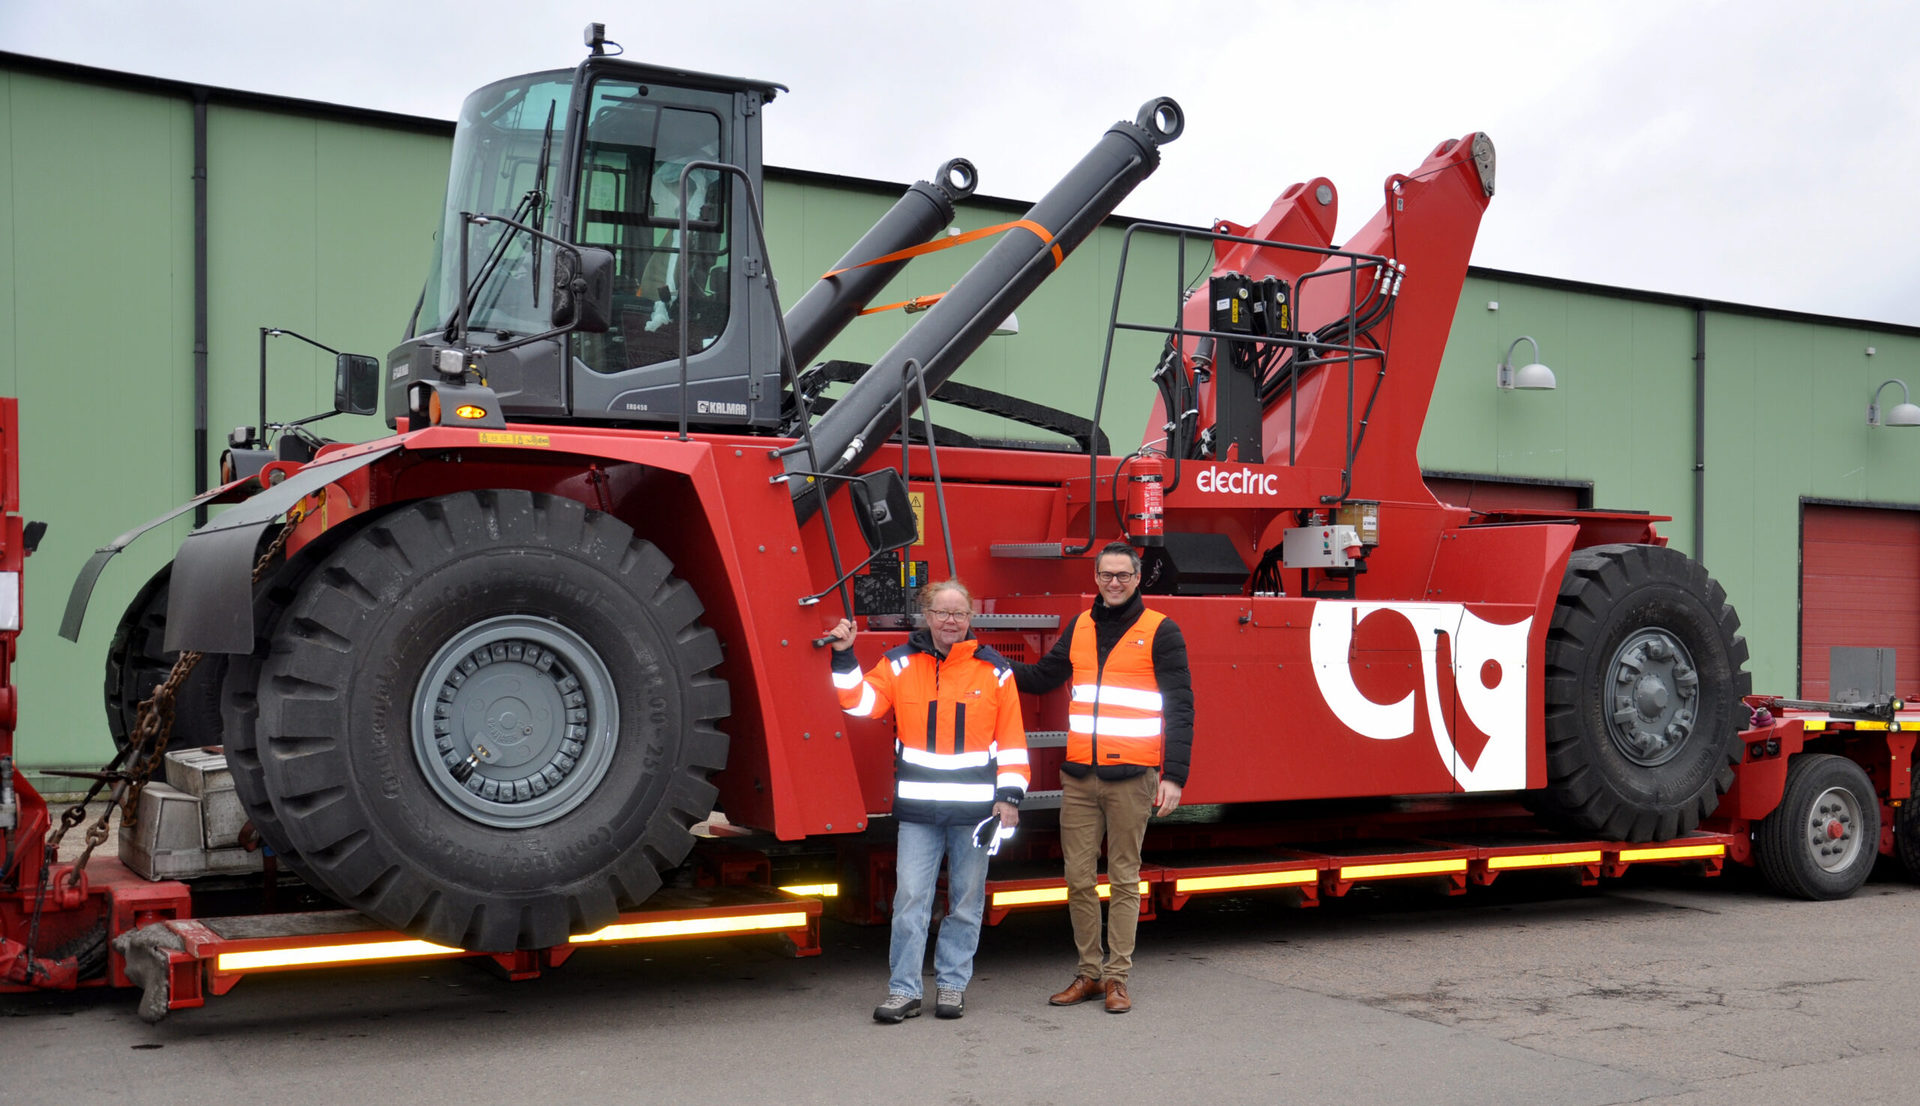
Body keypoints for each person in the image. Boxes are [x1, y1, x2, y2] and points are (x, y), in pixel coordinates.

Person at [826, 580, 1028, 1024]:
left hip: (975, 813)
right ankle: (904, 991)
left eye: (959, 613)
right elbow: (860, 704)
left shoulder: (995, 671)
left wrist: (1009, 797)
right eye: (941, 612)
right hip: (919, 813)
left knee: (966, 903)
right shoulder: (898, 664)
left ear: (970, 618)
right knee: (910, 901)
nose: (950, 621)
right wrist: (844, 655)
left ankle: (952, 985)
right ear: (926, 616)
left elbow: (1012, 740)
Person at [1010, 541, 1193, 1014]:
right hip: (1080, 777)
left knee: (1125, 878)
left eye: (1123, 575)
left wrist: (1174, 775)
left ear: (1137, 579)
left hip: (1133, 777)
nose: (1114, 583)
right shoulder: (1081, 627)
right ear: (1095, 578)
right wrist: (991, 661)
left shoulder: (1161, 630)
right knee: (1077, 880)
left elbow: (1180, 706)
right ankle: (1089, 973)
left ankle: (1117, 978)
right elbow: (1044, 677)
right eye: (1107, 575)